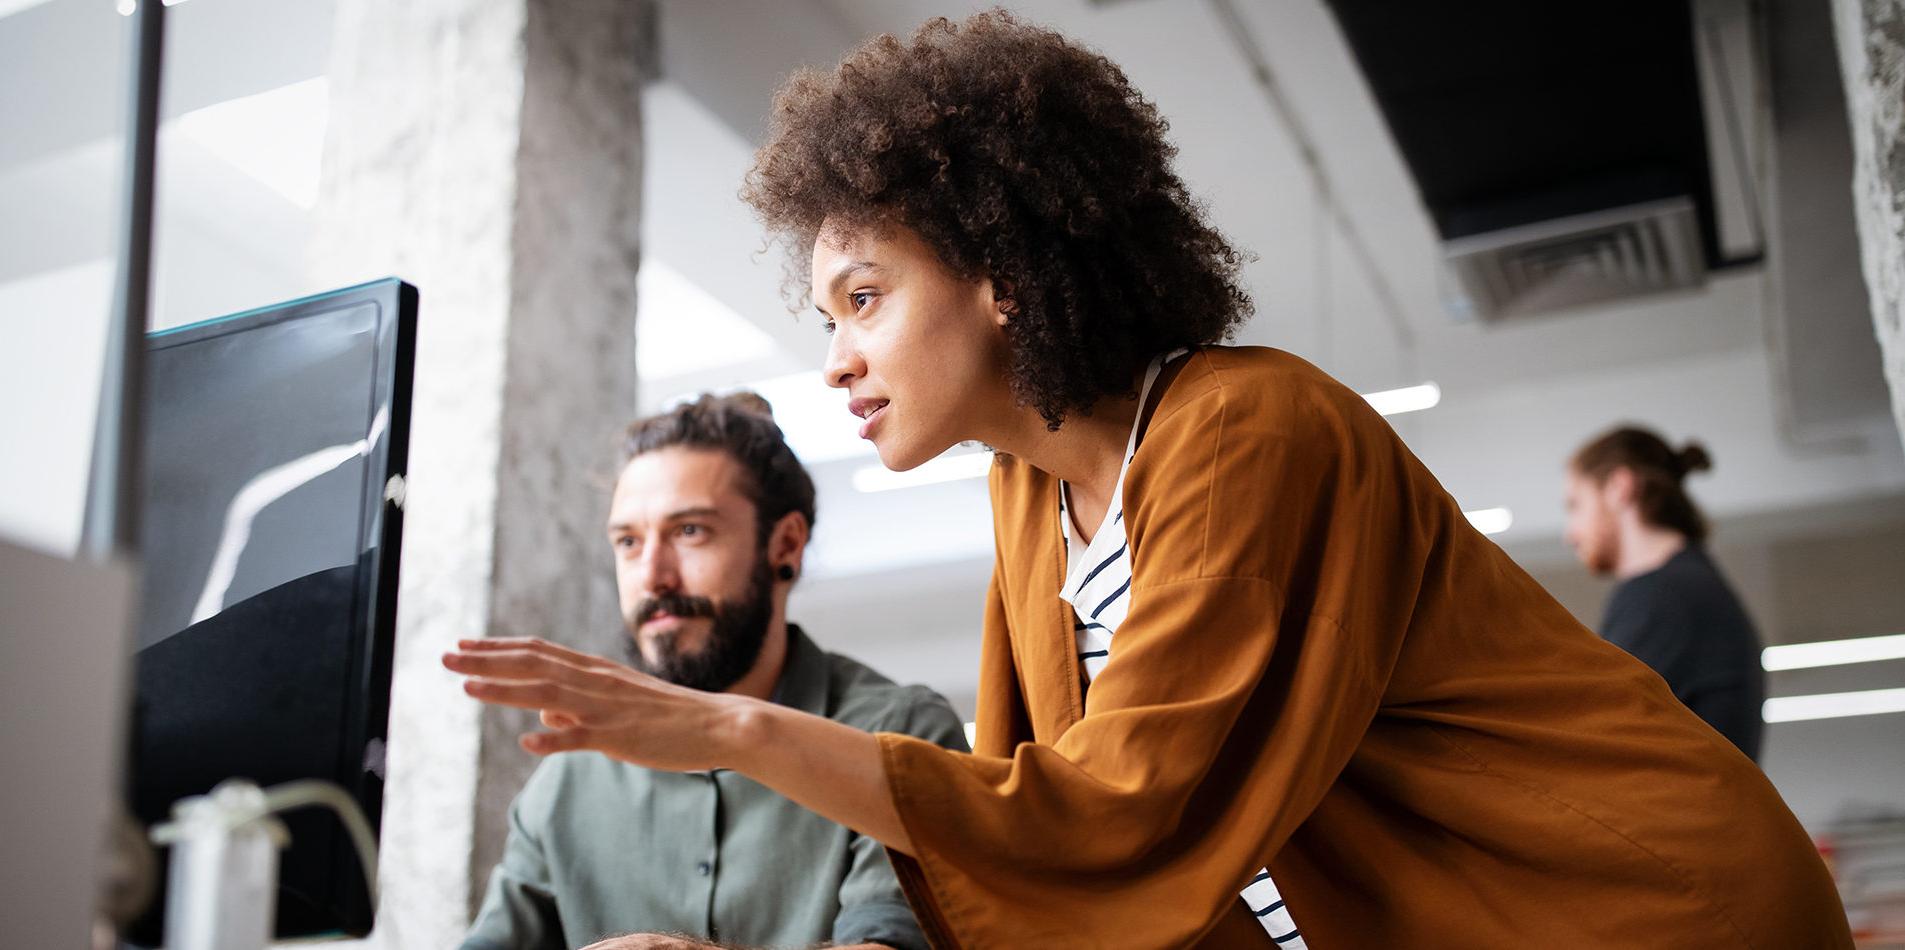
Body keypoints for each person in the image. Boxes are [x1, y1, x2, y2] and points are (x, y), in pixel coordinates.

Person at [446, 13, 1851, 948]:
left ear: (1001, 276)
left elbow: (1116, 811)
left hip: (1635, 910)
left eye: (864, 296)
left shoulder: (1248, 430)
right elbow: (1039, 815)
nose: (841, 359)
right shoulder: (1026, 491)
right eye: (828, 317)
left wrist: (731, 734)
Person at [459, 393, 967, 950]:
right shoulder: (569, 775)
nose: (653, 577)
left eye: (690, 532)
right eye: (628, 542)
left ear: (786, 544)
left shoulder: (899, 735)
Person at [1564, 426, 1766, 759]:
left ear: (1619, 487)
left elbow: (1595, 738)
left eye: (1575, 505)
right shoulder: (1688, 586)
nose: (1570, 535)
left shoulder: (1663, 595)